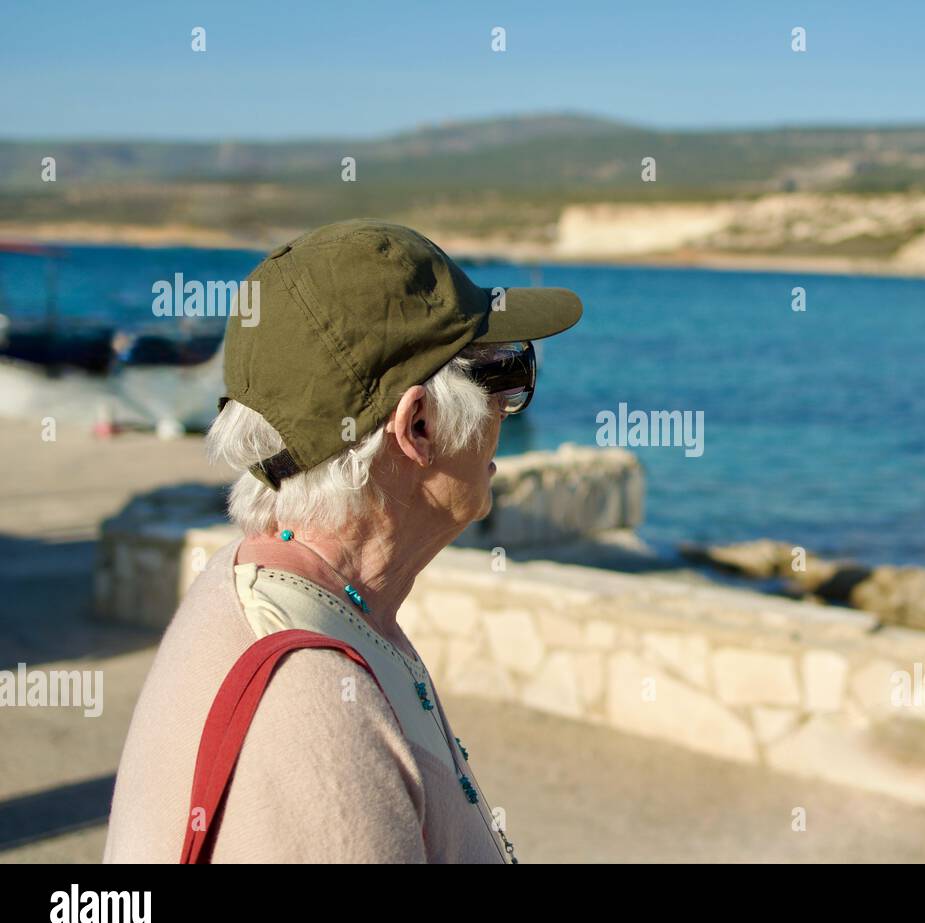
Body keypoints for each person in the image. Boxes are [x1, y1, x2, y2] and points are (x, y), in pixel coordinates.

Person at [102, 219, 582, 863]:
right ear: (417, 426)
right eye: (503, 374)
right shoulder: (313, 711)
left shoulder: (277, 589)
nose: (505, 406)